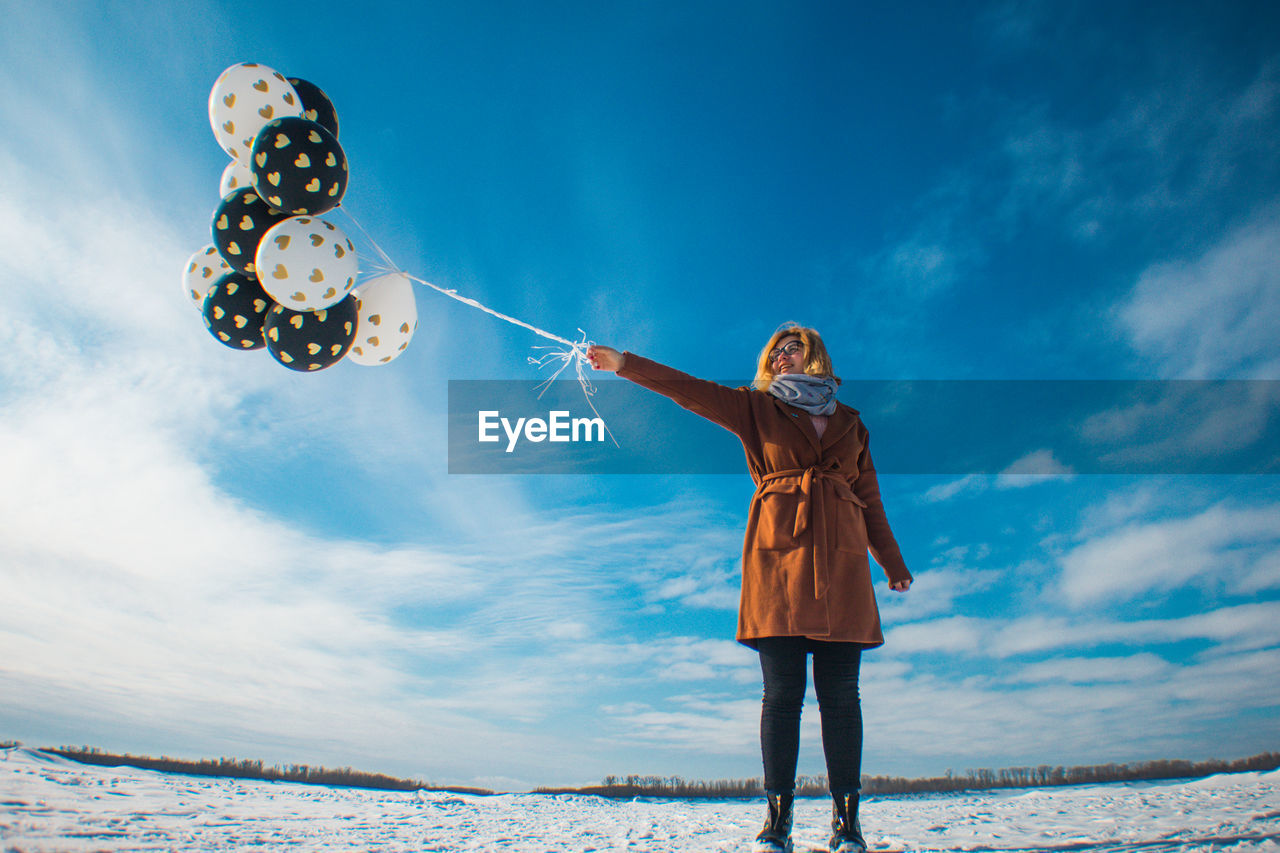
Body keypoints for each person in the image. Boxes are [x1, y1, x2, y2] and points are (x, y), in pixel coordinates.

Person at [587, 324, 912, 853]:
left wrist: (891, 563)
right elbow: (689, 390)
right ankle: (777, 823)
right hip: (778, 558)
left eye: (793, 348)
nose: (782, 356)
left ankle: (846, 824)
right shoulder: (755, 408)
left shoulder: (853, 424)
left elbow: (870, 496)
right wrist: (625, 364)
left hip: (845, 566)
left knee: (841, 698)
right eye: (775, 351)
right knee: (782, 696)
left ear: (815, 356)